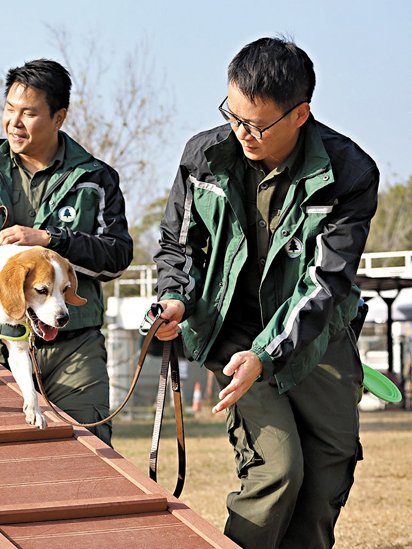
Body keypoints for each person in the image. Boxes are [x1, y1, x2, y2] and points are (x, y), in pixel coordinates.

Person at [151, 37, 379, 549]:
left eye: (256, 124)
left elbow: (325, 283)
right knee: (277, 472)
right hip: (233, 338)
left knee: (325, 480)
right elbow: (176, 244)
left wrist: (267, 352)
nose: (241, 132)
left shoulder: (350, 173)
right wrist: (176, 296)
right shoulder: (203, 156)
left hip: (314, 337)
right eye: (232, 114)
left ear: (300, 115)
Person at [0, 58, 133, 547]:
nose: (14, 122)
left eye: (29, 113)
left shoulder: (96, 178)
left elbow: (117, 256)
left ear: (59, 118)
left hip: (73, 344)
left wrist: (51, 239)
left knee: (88, 460)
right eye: (8, 109)